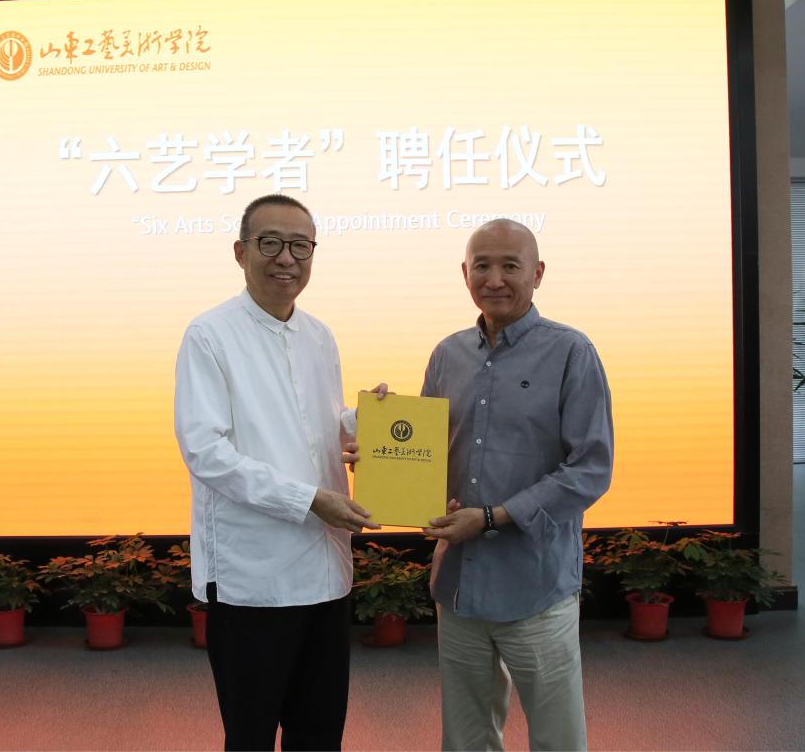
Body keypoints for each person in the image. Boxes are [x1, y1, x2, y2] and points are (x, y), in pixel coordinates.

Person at [173, 193, 382, 751]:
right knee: (251, 736)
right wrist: (309, 499)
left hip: (326, 572)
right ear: (240, 252)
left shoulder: (319, 335)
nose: (286, 258)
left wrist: (369, 423)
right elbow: (206, 451)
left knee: (319, 734)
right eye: (270, 243)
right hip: (254, 581)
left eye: (300, 245)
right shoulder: (209, 334)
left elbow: (317, 425)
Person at [422, 219, 614, 751]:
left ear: (537, 273)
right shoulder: (447, 355)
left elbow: (591, 468)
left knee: (557, 740)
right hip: (459, 585)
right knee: (466, 740)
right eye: (482, 265)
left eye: (510, 265)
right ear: (465, 272)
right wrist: (378, 454)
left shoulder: (572, 352)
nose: (495, 279)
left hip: (536, 586)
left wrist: (493, 517)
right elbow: (427, 458)